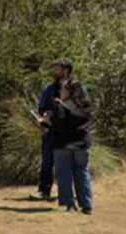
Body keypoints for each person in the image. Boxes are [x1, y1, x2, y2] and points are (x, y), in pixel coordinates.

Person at [46, 77, 94, 214]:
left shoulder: (61, 106)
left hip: (63, 144)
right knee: (82, 172)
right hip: (82, 143)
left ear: (69, 92)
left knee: (64, 174)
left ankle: (69, 204)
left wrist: (44, 122)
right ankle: (87, 205)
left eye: (62, 89)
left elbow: (57, 126)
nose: (60, 91)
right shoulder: (86, 106)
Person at [30, 60, 72, 201]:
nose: (54, 72)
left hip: (68, 132)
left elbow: (81, 109)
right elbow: (42, 107)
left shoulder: (75, 88)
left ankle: (68, 193)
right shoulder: (49, 89)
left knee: (67, 164)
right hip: (51, 131)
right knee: (47, 162)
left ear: (66, 70)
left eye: (57, 69)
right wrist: (45, 115)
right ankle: (44, 191)